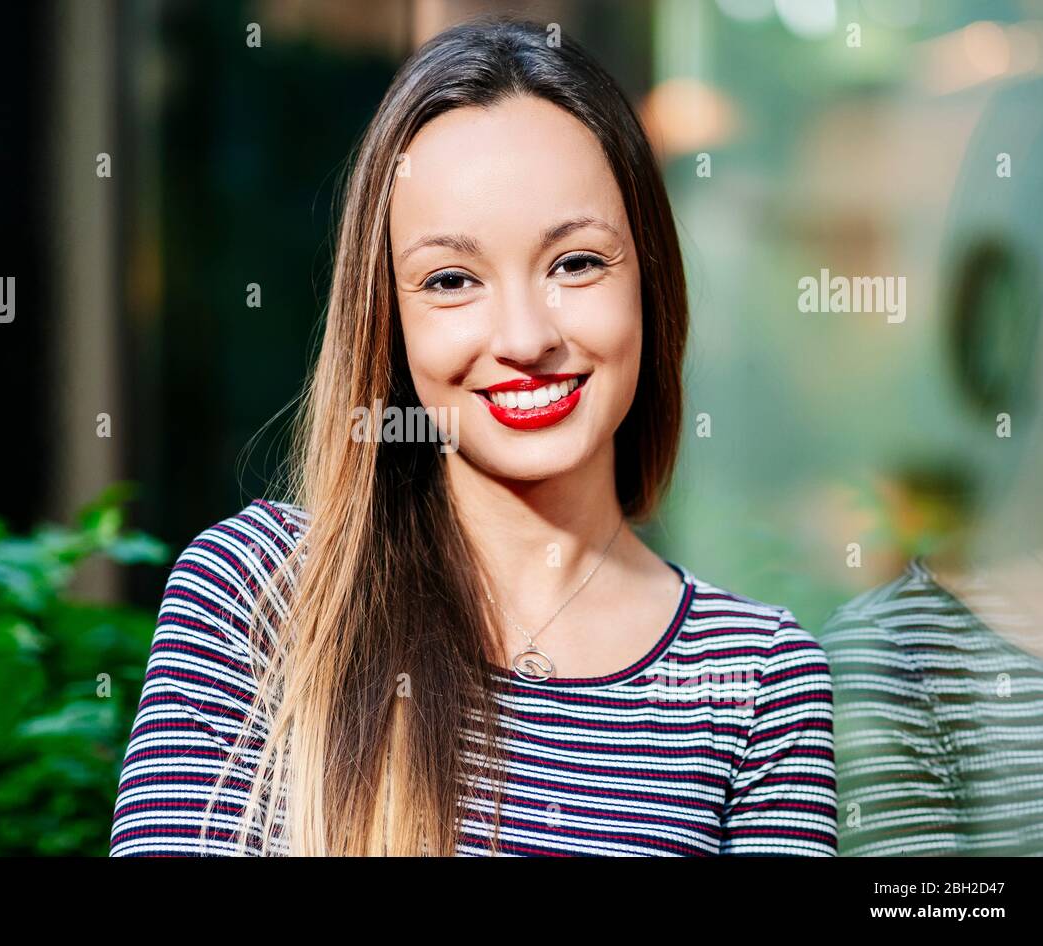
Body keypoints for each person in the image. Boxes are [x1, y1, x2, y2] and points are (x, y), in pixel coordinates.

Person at [110, 16, 836, 857]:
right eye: (452, 280)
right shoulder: (259, 598)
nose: (525, 337)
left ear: (651, 278)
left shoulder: (759, 677)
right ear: (389, 321)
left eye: (576, 263)